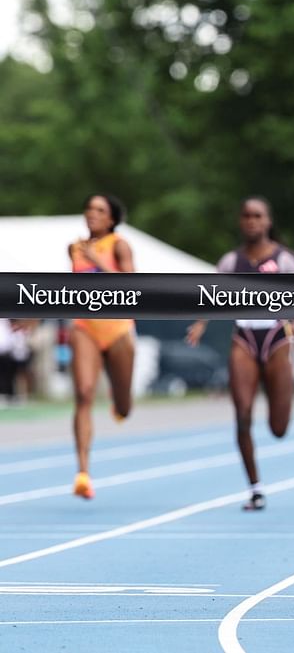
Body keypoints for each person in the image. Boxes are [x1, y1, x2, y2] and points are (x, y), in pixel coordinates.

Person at [186, 196, 294, 511]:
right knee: (241, 416)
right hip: (244, 339)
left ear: (267, 221)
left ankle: (278, 402)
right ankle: (255, 488)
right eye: (246, 216)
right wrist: (201, 324)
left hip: (277, 337)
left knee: (278, 428)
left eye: (257, 216)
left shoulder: (284, 260)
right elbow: (211, 294)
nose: (252, 221)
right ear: (241, 222)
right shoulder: (230, 262)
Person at [69, 194, 137, 499]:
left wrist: (99, 262)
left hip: (118, 328)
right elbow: (65, 288)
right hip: (86, 327)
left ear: (111, 219)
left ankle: (118, 397)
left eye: (100, 210)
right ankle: (83, 473)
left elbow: (134, 285)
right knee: (83, 394)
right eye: (89, 209)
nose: (92, 214)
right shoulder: (74, 248)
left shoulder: (119, 245)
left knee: (124, 408)